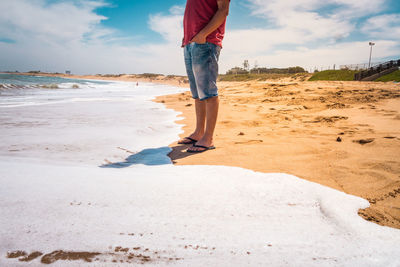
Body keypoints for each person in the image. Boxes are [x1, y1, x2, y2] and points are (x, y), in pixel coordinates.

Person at [178, 0, 230, 153]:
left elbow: (223, 10)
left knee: (208, 92)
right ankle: (198, 132)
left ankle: (208, 138)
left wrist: (203, 35)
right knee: (197, 94)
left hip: (206, 42)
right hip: (190, 43)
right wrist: (187, 38)